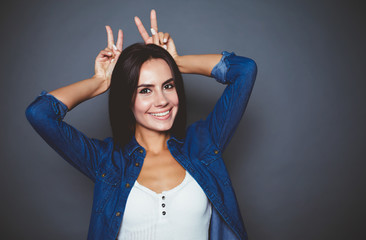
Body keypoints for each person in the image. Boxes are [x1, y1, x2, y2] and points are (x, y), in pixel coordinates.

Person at [25, 9, 257, 240]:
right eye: (146, 90)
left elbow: (244, 70)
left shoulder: (204, 142)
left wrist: (177, 62)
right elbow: (39, 113)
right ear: (127, 100)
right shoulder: (106, 160)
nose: (162, 100)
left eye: (168, 85)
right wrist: (101, 81)